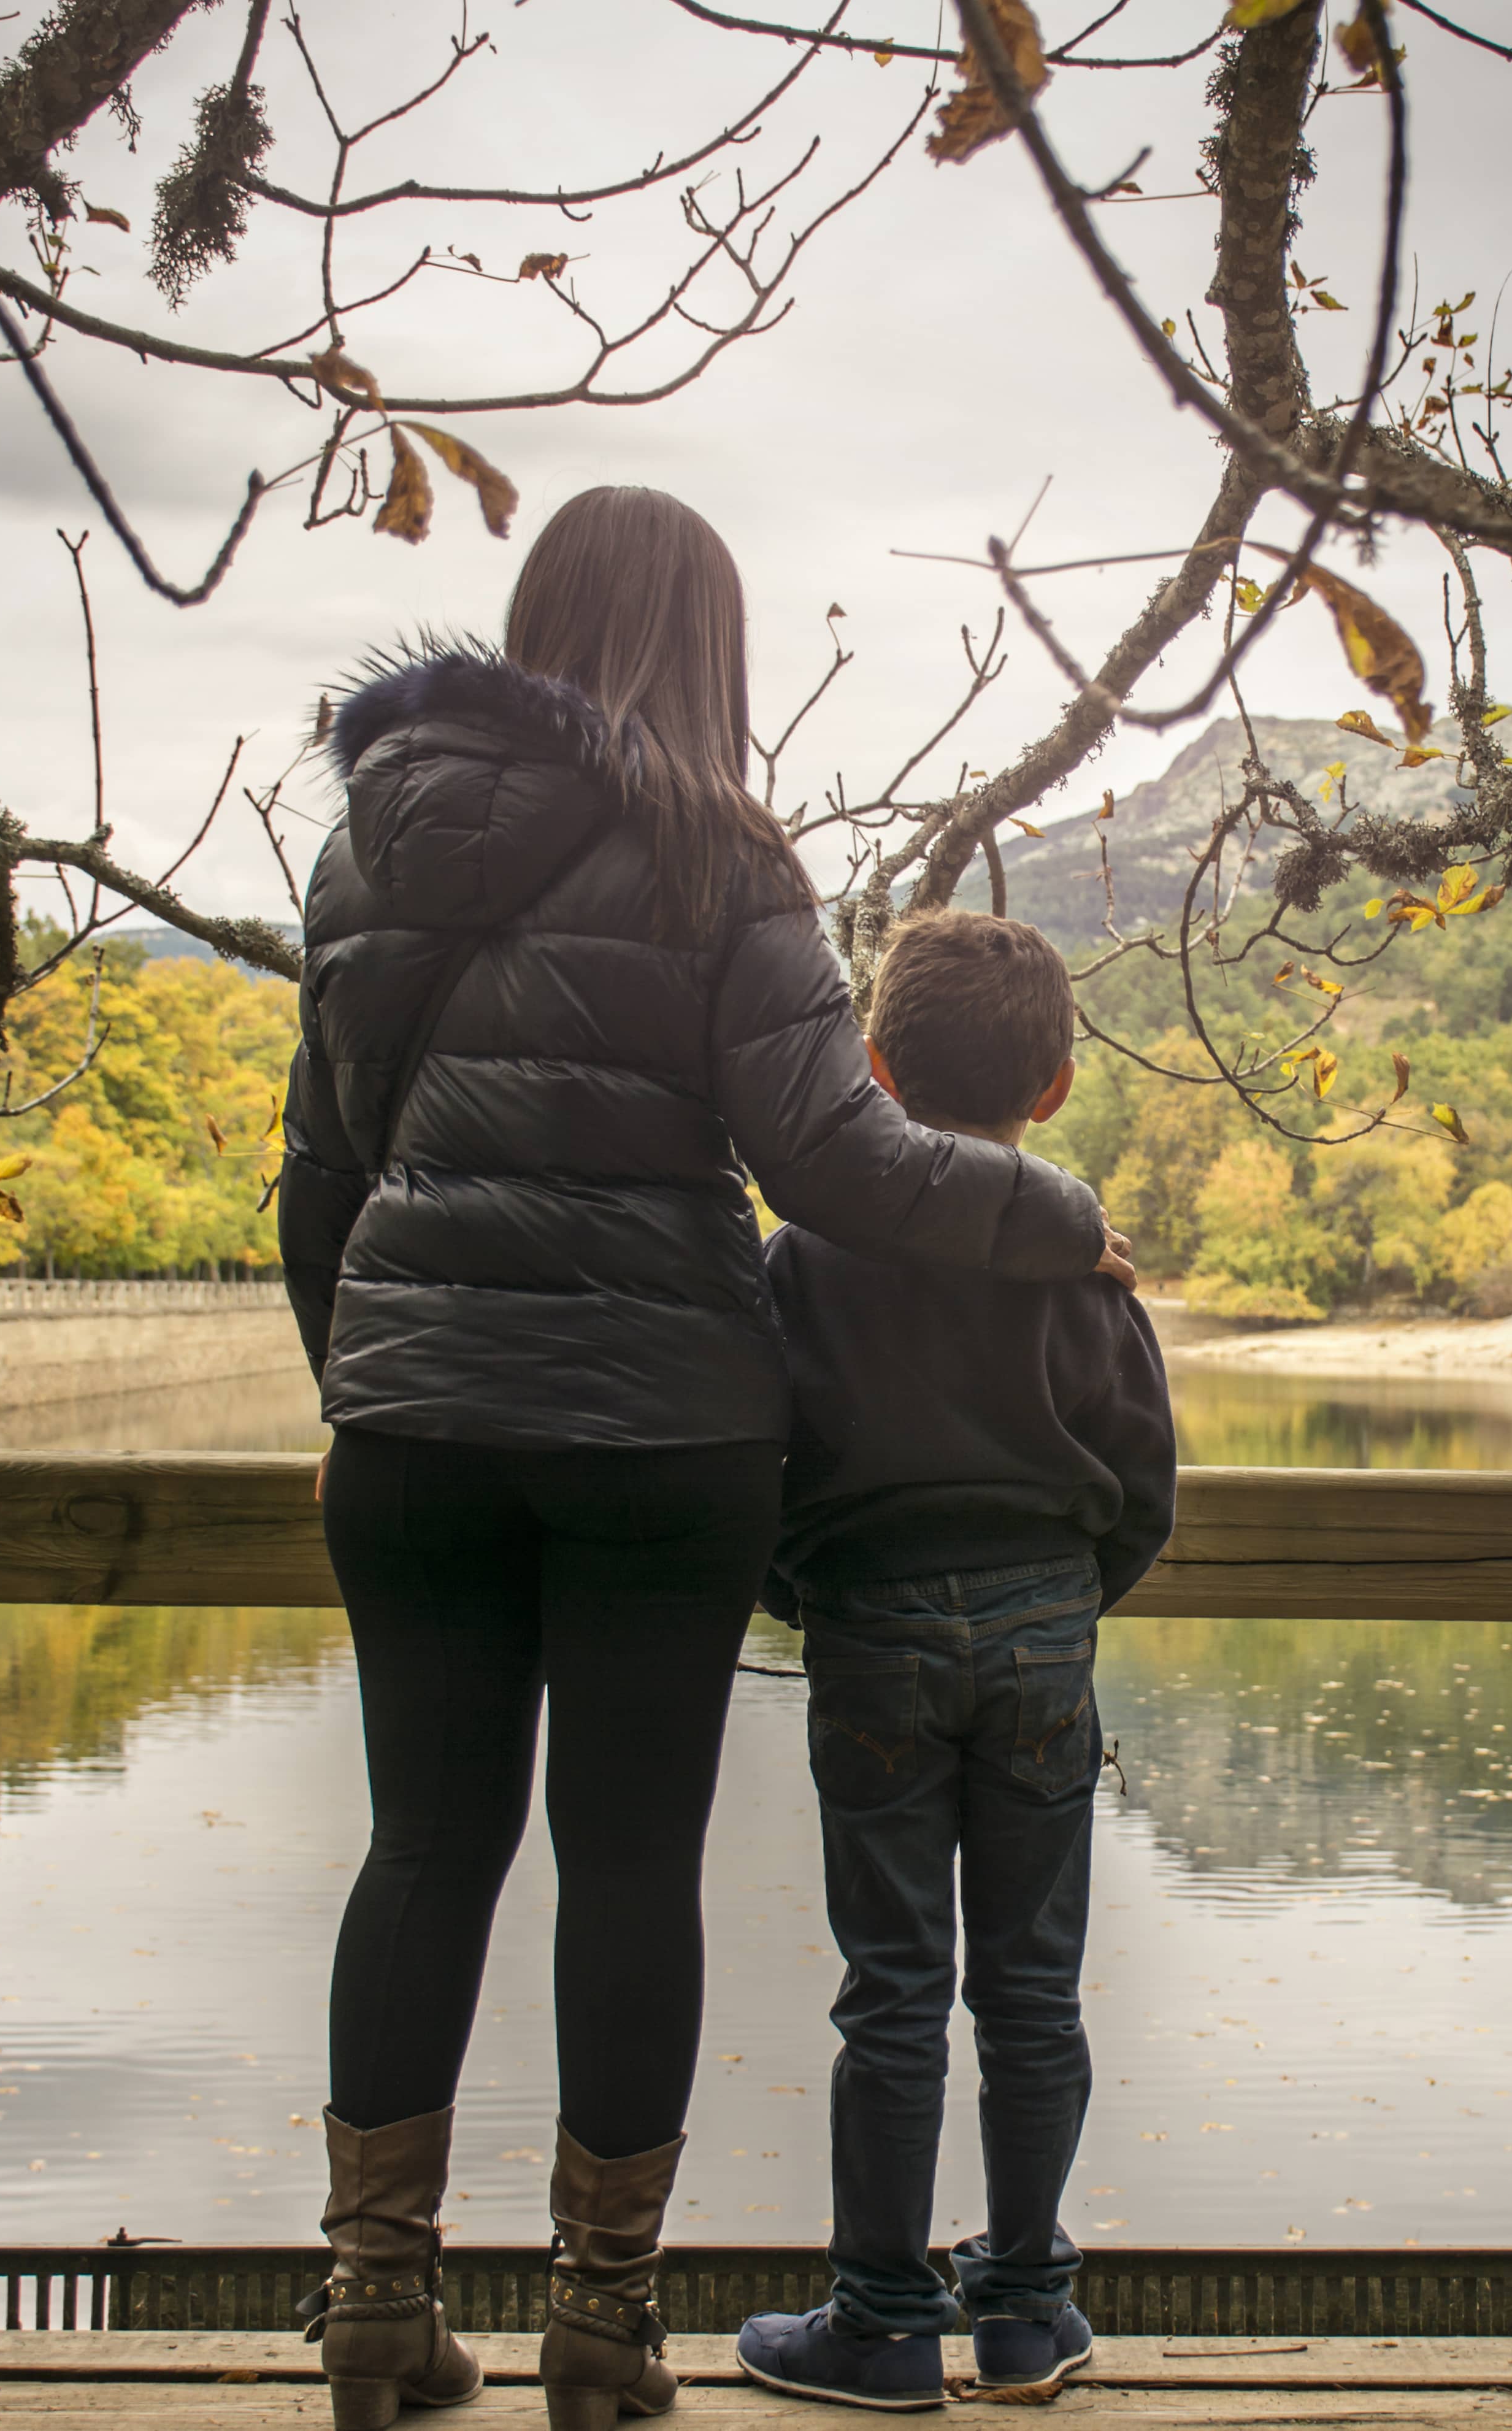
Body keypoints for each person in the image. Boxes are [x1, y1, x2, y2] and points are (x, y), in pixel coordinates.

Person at [276, 492, 1134, 2431]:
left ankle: (372, 2307)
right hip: (663, 1430)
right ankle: (601, 2321)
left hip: (411, 1427)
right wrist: (1058, 1216)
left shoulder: (363, 846)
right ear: (709, 649)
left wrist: (374, 1380)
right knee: (630, 1857)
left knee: (423, 1846)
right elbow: (835, 1160)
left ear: (530, 617)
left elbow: (324, 1166)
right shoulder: (721, 854)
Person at [734, 912, 1176, 2411]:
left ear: (870, 1067)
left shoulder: (804, 1257)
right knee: (1035, 1991)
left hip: (871, 1626)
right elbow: (1142, 1479)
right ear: (1051, 1085)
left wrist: (821, 1587)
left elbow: (760, 1471)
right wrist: (1061, 1597)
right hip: (1046, 1630)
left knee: (895, 1986)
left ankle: (877, 2321)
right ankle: (1026, 2312)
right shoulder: (1081, 1255)